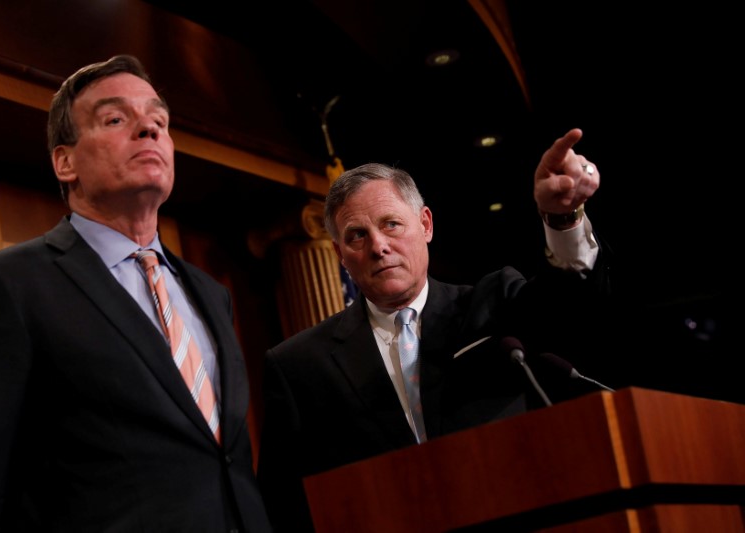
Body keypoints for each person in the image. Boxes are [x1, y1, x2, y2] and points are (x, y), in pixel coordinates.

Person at [0, 55, 272, 532]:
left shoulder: (209, 292)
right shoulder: (10, 286)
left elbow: (223, 460)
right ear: (65, 161)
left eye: (158, 120)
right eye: (116, 119)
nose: (149, 130)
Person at [256, 128, 614, 532]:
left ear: (425, 224)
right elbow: (283, 501)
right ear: (339, 254)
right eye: (357, 235)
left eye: (391, 224)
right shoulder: (299, 365)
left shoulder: (492, 306)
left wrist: (563, 217)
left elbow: (570, 309)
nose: (378, 246)